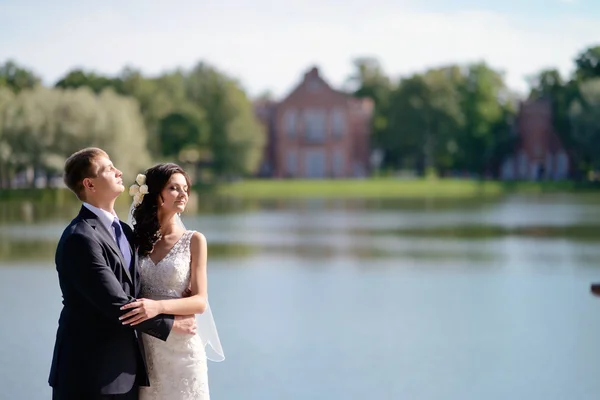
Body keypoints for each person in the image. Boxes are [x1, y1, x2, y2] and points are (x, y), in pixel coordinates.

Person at [49, 148, 198, 400]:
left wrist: (177, 299)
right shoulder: (80, 237)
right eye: (108, 168)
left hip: (126, 373)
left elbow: (140, 288)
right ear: (89, 184)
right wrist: (173, 325)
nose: (119, 172)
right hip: (88, 375)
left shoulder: (126, 233)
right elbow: (117, 304)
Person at [120, 163, 224, 400]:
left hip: (184, 350)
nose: (183, 194)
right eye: (174, 188)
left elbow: (199, 302)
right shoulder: (135, 241)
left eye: (185, 188)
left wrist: (158, 307)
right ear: (157, 194)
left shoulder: (195, 240)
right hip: (147, 348)